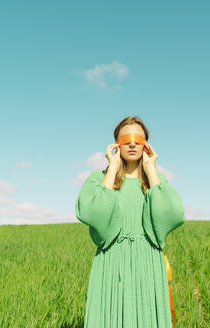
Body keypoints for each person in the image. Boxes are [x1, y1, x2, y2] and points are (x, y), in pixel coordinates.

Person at [75, 116, 186, 327]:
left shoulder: (157, 179)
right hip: (111, 261)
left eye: (138, 139)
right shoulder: (98, 178)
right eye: (126, 139)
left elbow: (172, 214)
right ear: (116, 145)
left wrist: (151, 169)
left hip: (148, 263)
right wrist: (113, 168)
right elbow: (92, 212)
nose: (133, 143)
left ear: (146, 145)